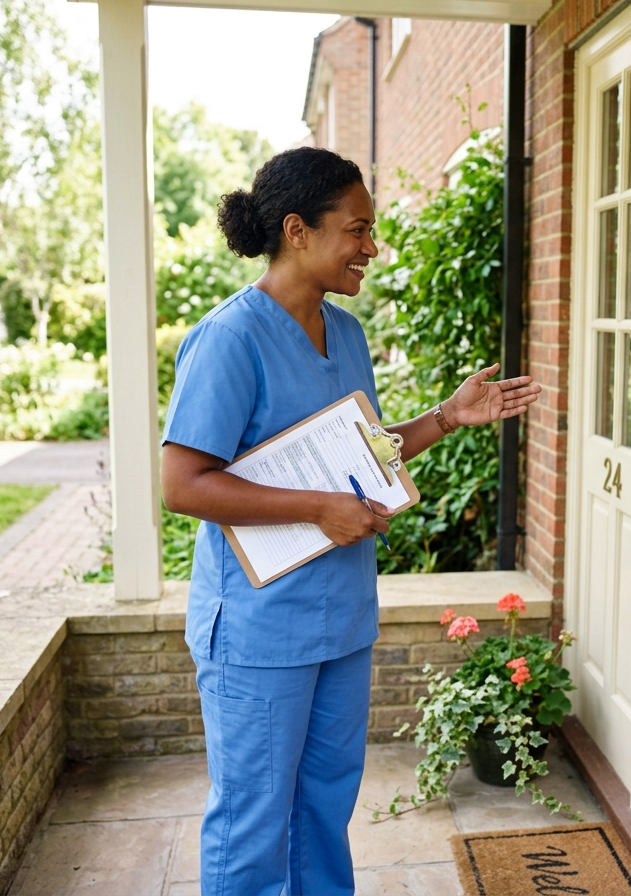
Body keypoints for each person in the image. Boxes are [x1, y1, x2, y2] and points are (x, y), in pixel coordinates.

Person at [159, 146, 540, 896]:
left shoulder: (348, 335)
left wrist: (446, 418)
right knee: (253, 821)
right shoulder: (231, 339)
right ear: (297, 231)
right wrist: (318, 509)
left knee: (324, 810)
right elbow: (182, 484)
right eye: (357, 229)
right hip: (260, 629)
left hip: (340, 620)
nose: (372, 247)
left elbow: (355, 458)